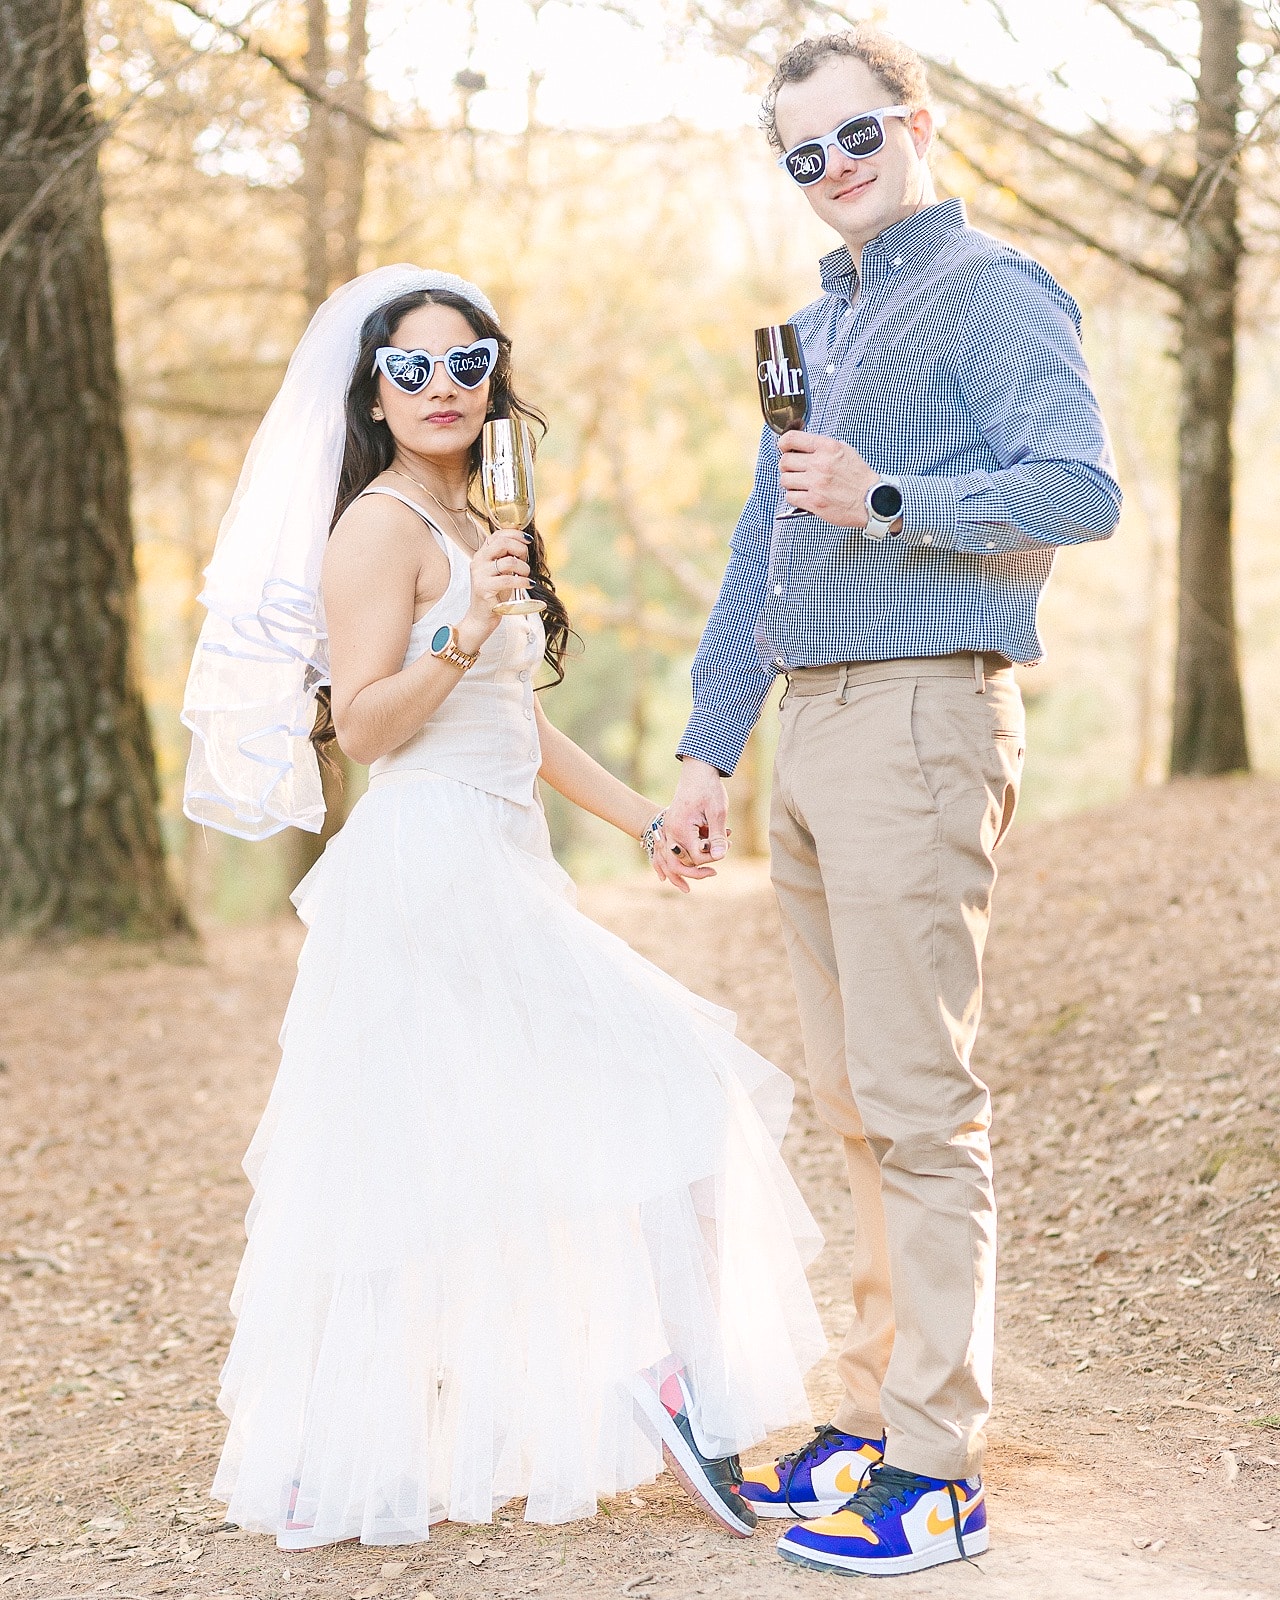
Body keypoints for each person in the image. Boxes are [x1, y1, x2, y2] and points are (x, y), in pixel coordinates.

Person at [180, 266, 826, 1549]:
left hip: (500, 854)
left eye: (465, 364)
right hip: (431, 871)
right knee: (660, 1092)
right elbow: (365, 730)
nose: (441, 388)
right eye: (411, 367)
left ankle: (376, 1436)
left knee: (426, 1155)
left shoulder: (466, 510)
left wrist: (642, 817)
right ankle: (673, 1387)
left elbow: (512, 726)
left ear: (493, 379)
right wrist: (461, 626)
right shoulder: (374, 528)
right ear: (374, 387)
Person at [659, 28, 1122, 1579]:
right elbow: (758, 549)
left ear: (914, 121)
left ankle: (936, 1468)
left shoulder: (993, 293)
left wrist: (891, 499)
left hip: (926, 712)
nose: (834, 168)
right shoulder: (814, 321)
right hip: (813, 732)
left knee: (921, 1108)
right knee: (857, 1102)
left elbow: (1080, 488)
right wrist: (708, 751)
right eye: (801, 154)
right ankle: (871, 1407)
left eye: (853, 134)